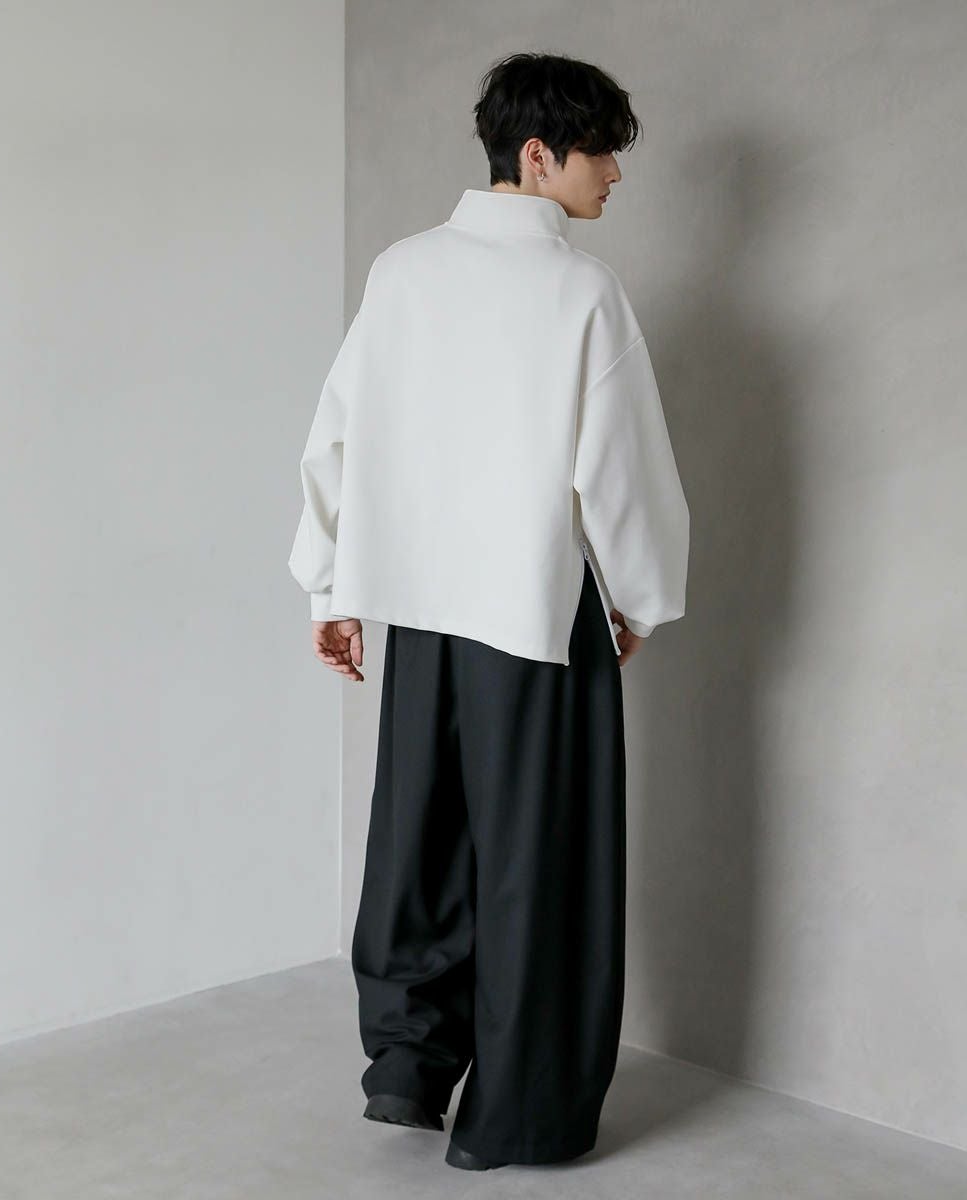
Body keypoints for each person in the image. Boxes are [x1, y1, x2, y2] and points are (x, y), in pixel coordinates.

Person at [287, 51, 689, 1171]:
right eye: (601, 151)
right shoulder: (581, 291)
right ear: (538, 154)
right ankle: (515, 1116)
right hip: (533, 614)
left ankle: (407, 1070)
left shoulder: (402, 270)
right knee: (537, 860)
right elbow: (621, 473)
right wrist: (639, 598)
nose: (615, 174)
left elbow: (337, 431)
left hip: (416, 612)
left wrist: (332, 584)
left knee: (419, 835)